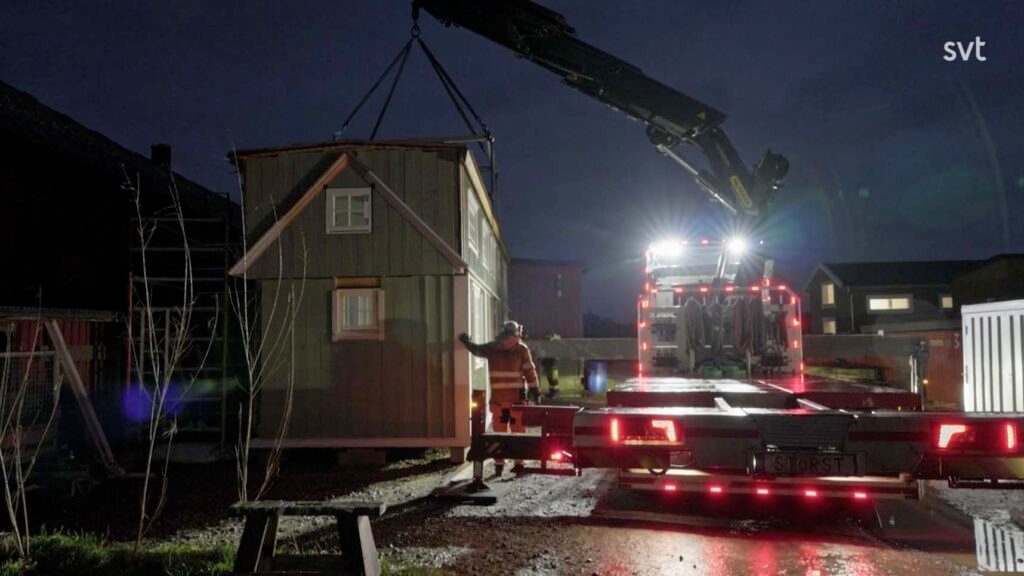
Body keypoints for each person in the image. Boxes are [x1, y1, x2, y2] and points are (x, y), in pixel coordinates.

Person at [459, 320, 540, 476]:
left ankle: (499, 464)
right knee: (518, 432)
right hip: (516, 400)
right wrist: (535, 391)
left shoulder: (492, 348)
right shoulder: (521, 349)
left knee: (499, 432)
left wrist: (465, 341)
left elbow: (476, 349)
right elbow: (530, 372)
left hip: (498, 400)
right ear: (517, 332)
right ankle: (518, 464)